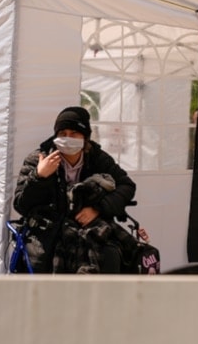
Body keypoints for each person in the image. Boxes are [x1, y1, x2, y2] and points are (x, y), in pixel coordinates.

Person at [13, 106, 136, 273]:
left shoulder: (97, 158)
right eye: (62, 133)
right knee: (48, 259)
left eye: (74, 134)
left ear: (85, 137)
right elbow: (21, 205)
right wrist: (39, 176)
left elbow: (126, 185)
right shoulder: (39, 158)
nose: (67, 138)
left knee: (111, 255)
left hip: (90, 228)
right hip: (49, 231)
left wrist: (98, 209)